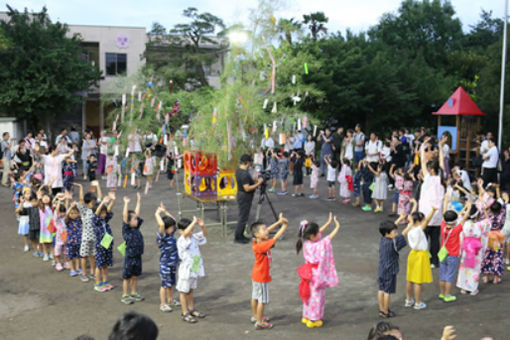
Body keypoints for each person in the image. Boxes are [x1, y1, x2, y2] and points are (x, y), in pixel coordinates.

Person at [296, 213, 340, 328]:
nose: (319, 234)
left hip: (308, 273)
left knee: (308, 295)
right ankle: (313, 319)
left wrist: (328, 222)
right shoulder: (318, 245)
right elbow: (328, 238)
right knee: (317, 297)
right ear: (312, 235)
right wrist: (336, 227)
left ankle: (306, 315)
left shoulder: (306, 243)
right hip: (316, 274)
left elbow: (319, 233)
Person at [250, 214, 288, 330]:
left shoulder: (256, 241)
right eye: (264, 230)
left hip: (256, 275)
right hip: (262, 277)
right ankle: (260, 322)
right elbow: (275, 238)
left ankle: (255, 316)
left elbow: (269, 231)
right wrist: (284, 226)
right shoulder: (263, 245)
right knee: (263, 300)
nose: (267, 231)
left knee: (255, 297)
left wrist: (278, 222)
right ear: (257, 234)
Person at [401, 200, 436, 310]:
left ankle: (408, 300)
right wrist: (433, 210)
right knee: (418, 281)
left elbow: (411, 217)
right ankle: (417, 302)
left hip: (412, 254)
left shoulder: (410, 228)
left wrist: (415, 204)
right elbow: (427, 220)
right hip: (421, 255)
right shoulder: (418, 230)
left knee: (410, 279)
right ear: (419, 221)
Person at [419, 137, 445, 268]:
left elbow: (423, 161)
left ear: (431, 169)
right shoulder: (442, 179)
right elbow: (441, 164)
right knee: (435, 240)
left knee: (423, 238)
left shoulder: (428, 178)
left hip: (425, 214)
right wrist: (440, 147)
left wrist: (423, 145)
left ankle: (424, 259)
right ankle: (434, 261)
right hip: (437, 214)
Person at [438, 201, 472, 303]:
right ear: (454, 221)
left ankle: (442, 293)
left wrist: (446, 202)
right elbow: (464, 219)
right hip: (453, 255)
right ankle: (447, 295)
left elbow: (445, 215)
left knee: (442, 275)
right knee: (449, 276)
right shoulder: (457, 229)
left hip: (443, 254)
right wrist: (468, 208)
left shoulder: (443, 226)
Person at [176, 216, 208, 323]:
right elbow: (185, 234)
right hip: (186, 268)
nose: (191, 232)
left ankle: (191, 308)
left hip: (195, 264)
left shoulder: (193, 237)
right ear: (180, 231)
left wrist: (202, 226)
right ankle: (184, 313)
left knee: (191, 289)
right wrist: (194, 222)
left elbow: (204, 235)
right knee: (183, 291)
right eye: (189, 229)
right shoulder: (181, 240)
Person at [456, 205, 491, 295]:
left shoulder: (464, 223)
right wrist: (484, 209)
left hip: (466, 247)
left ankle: (464, 288)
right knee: (475, 268)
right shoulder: (480, 225)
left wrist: (466, 208)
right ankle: (472, 289)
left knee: (464, 267)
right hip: (476, 248)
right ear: (476, 215)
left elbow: (460, 217)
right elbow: (488, 222)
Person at [377, 220, 407, 318]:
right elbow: (402, 236)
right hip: (390, 270)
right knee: (388, 291)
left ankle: (381, 309)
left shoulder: (383, 239)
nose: (396, 233)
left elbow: (390, 228)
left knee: (381, 289)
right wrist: (410, 225)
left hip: (382, 268)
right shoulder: (393, 243)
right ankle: (386, 311)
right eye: (394, 232)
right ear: (388, 233)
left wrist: (399, 219)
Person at [74, 181, 102, 282]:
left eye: (94, 202)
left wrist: (98, 186)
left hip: (95, 237)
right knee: (84, 256)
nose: (94, 203)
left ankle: (93, 273)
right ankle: (84, 273)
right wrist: (81, 187)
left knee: (93, 256)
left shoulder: (95, 209)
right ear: (87, 203)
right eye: (92, 202)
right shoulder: (84, 210)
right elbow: (81, 199)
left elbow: (100, 198)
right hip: (85, 238)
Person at [155, 203, 180, 312]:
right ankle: (163, 303)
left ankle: (170, 299)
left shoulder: (170, 234)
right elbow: (161, 225)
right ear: (166, 228)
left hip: (173, 263)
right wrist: (157, 213)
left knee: (171, 283)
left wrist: (165, 212)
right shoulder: (163, 236)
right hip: (165, 264)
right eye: (171, 227)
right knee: (165, 284)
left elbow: (173, 221)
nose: (173, 228)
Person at [234, 154, 264, 244]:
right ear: (247, 163)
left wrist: (255, 180)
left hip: (241, 195)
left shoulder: (239, 171)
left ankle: (240, 235)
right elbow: (247, 188)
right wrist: (258, 184)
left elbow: (247, 181)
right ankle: (238, 237)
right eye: (250, 162)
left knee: (243, 216)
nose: (251, 164)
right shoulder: (244, 174)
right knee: (243, 217)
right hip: (244, 196)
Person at [121, 193, 144, 305]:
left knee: (135, 275)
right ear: (129, 221)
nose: (137, 220)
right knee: (127, 277)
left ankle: (133, 292)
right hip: (130, 256)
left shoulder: (136, 227)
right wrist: (126, 203)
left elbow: (136, 214)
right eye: (134, 219)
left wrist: (138, 201)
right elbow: (125, 217)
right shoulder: (127, 229)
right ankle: (125, 294)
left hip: (138, 255)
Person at [92, 192, 116, 292]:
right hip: (100, 245)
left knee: (106, 264)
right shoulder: (95, 220)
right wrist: (102, 202)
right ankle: (98, 283)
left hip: (107, 242)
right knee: (99, 265)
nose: (103, 214)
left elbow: (108, 210)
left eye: (104, 213)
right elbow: (97, 213)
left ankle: (105, 281)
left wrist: (113, 200)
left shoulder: (105, 220)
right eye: (101, 213)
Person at [66, 203, 83, 277]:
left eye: (75, 213)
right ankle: (72, 269)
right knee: (70, 256)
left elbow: (83, 213)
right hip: (70, 241)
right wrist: (71, 207)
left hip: (79, 241)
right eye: (71, 213)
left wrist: (78, 206)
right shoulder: (68, 221)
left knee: (78, 256)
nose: (73, 215)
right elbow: (66, 215)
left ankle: (78, 268)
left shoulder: (80, 220)